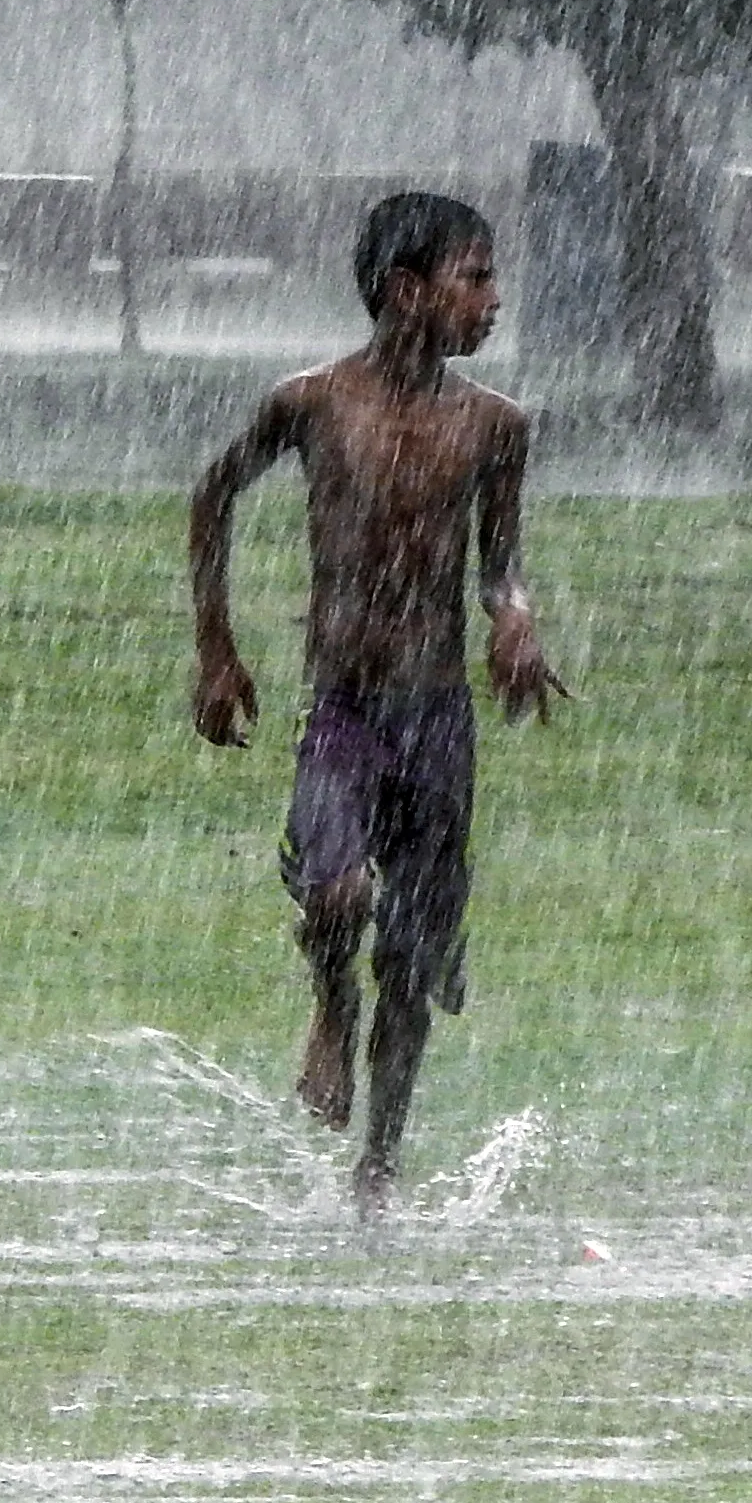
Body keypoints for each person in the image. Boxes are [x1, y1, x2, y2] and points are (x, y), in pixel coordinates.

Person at [188, 192, 569, 1210]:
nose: (491, 299)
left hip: (436, 715)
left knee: (410, 956)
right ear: (406, 291)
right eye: (473, 276)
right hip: (344, 706)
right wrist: (214, 648)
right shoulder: (312, 405)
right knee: (335, 891)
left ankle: (378, 1165)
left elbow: (500, 565)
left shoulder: (493, 426)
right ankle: (325, 1004)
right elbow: (212, 492)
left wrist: (514, 620)